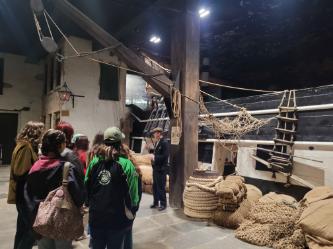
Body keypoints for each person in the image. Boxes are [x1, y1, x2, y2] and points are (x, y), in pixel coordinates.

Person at [24, 129, 85, 249]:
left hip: (40, 220)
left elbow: (27, 195)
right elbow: (78, 195)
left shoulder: (35, 167)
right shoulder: (66, 168)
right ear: (60, 145)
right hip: (62, 221)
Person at [85, 127, 138, 249]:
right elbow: (133, 193)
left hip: (96, 217)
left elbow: (86, 184)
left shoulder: (94, 162)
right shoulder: (126, 164)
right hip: (117, 219)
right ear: (120, 143)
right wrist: (133, 209)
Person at [7, 121, 44, 249]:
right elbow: (20, 172)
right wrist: (38, 168)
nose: (42, 135)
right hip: (23, 195)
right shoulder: (25, 147)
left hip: (23, 195)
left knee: (22, 229)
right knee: (31, 231)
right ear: (35, 133)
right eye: (40, 132)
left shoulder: (25, 145)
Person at [150, 127, 169, 211]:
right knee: (155, 186)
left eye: (155, 133)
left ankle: (163, 204)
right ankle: (155, 202)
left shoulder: (164, 143)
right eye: (154, 133)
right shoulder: (157, 142)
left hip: (161, 169)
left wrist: (154, 157)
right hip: (156, 169)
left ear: (159, 133)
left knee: (161, 187)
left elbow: (165, 156)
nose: (154, 134)